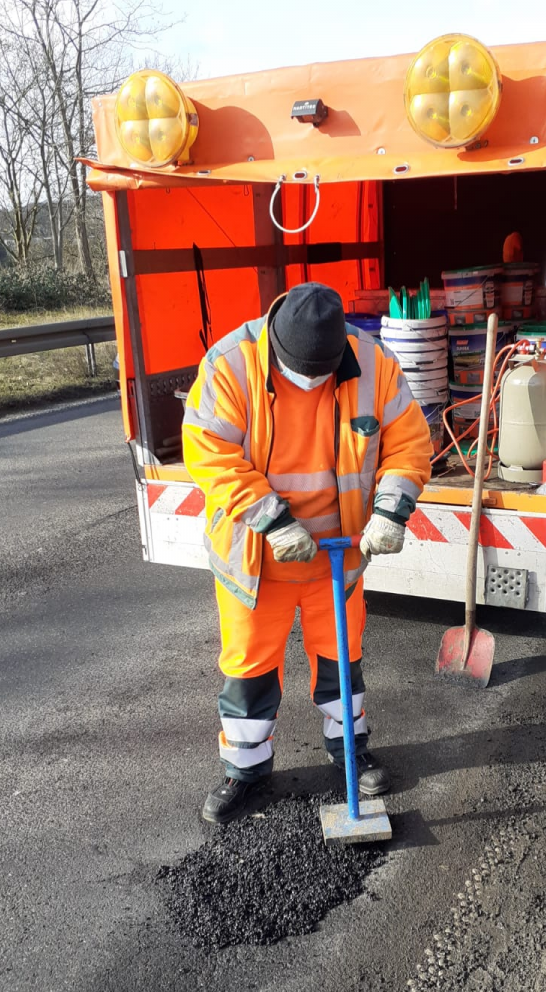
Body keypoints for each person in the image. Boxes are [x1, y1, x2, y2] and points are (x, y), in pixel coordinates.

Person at [182, 283, 433, 824]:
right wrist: (273, 520)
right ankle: (245, 772)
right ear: (276, 346)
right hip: (256, 557)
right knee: (249, 666)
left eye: (323, 373)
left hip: (337, 557)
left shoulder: (372, 362)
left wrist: (391, 510)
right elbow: (209, 452)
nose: (313, 382)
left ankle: (349, 750)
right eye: (303, 372)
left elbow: (408, 442)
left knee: (340, 659)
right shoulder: (230, 365)